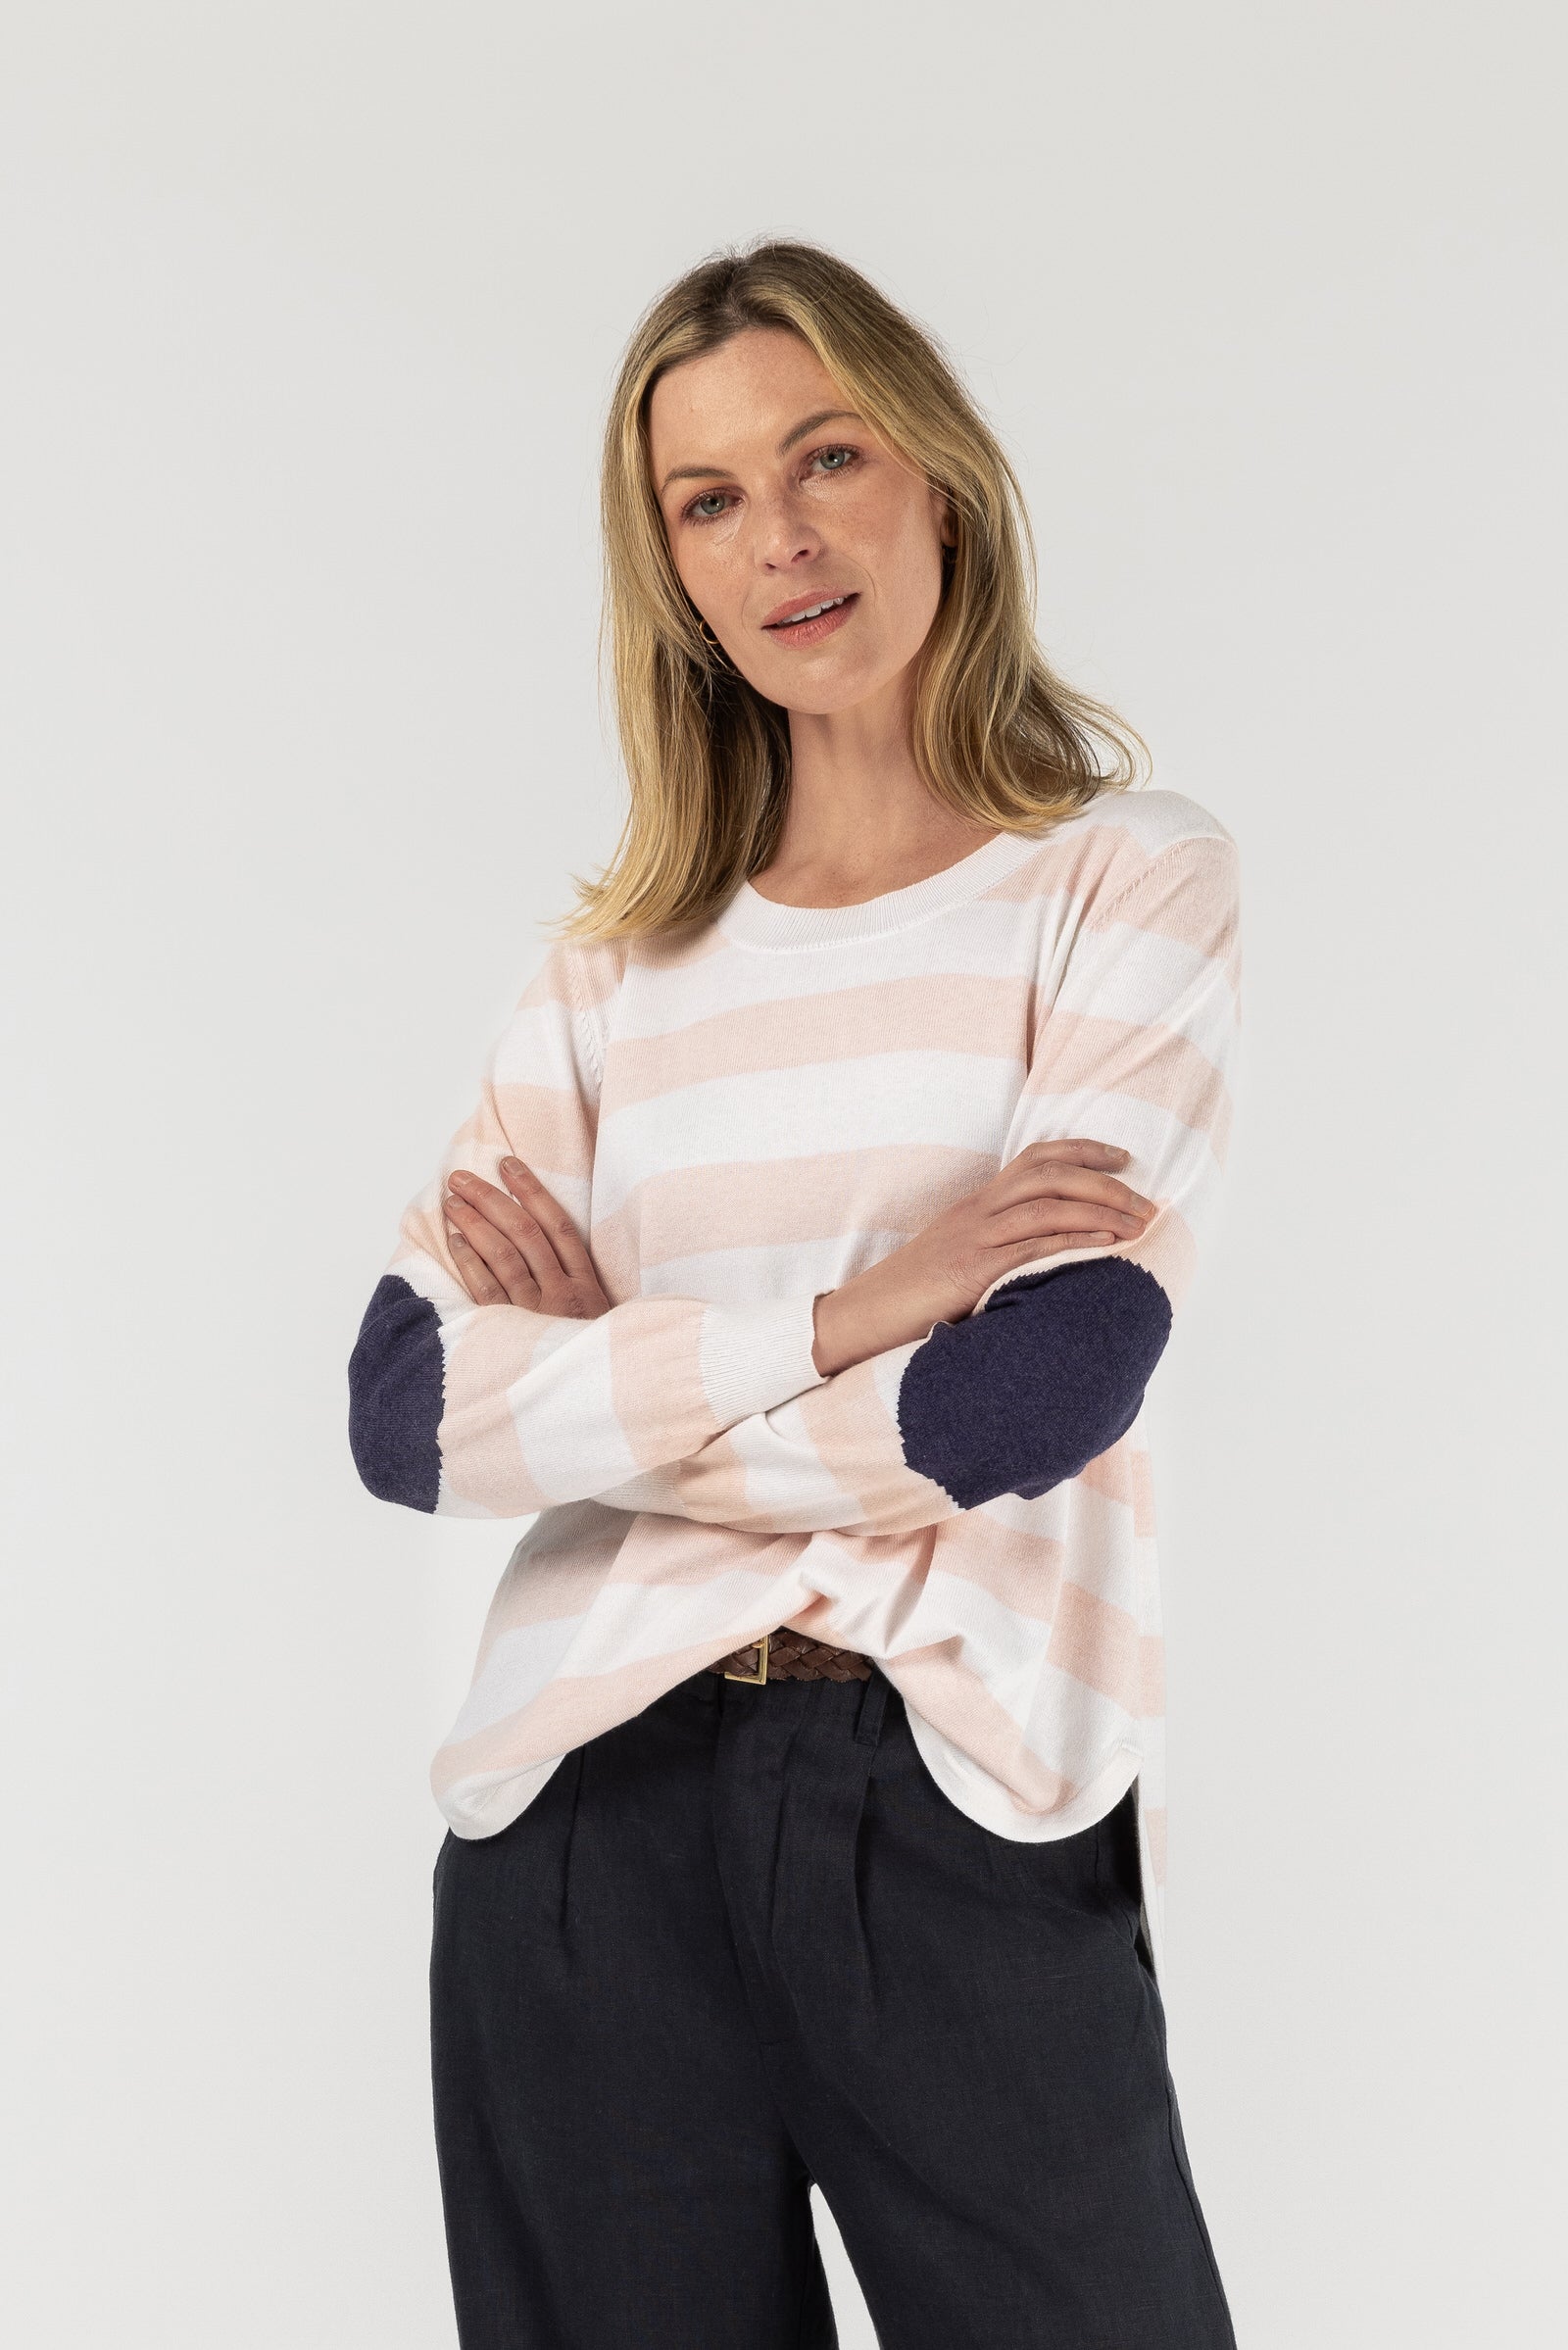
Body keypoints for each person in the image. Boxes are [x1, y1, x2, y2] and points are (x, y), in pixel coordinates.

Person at [348, 237, 1242, 2350]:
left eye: (827, 455)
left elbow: (1029, 1393)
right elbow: (403, 1411)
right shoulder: (609, 969)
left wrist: (603, 1388)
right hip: (581, 1818)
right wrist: (851, 1317)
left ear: (937, 473)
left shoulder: (1121, 880)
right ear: (667, 564)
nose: (784, 538)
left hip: (943, 1787)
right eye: (709, 498)